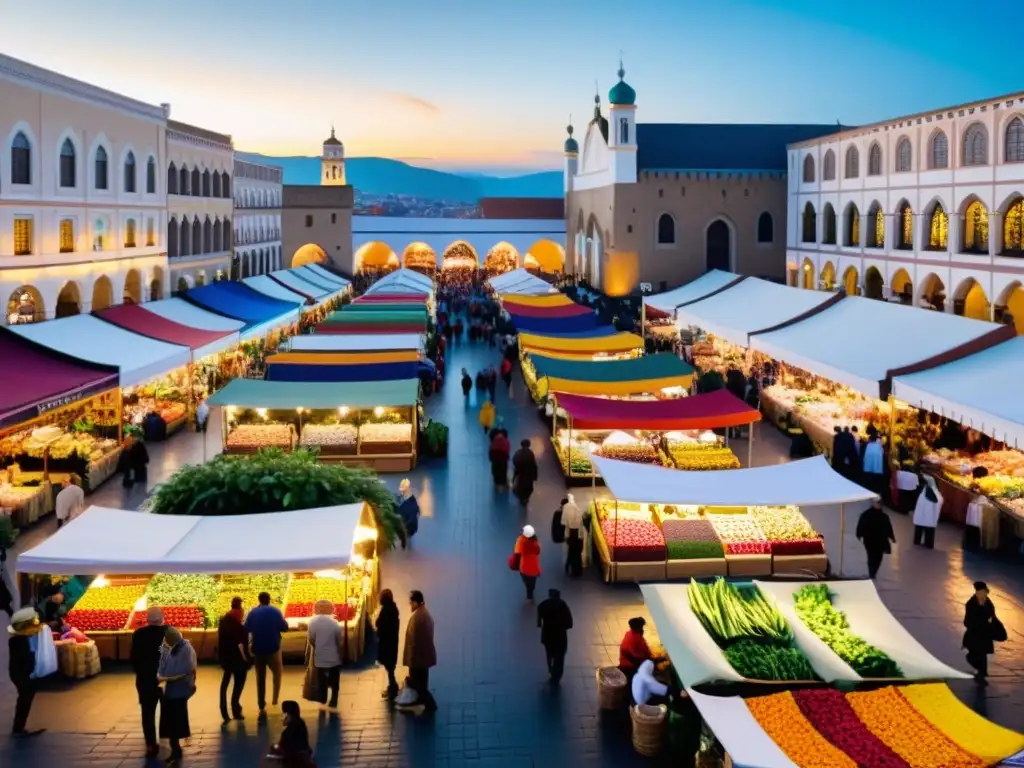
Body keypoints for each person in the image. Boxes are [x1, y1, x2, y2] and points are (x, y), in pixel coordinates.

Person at [245, 591, 289, 717]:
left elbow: (246, 628)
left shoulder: (253, 612)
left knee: (260, 678)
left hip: (258, 649)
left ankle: (261, 704)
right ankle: (275, 699)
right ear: (269, 599)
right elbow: (285, 627)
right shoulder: (276, 611)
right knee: (277, 673)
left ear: (259, 600)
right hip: (274, 648)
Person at [158, 626, 197, 766]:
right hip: (172, 691)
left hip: (178, 691)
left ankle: (176, 750)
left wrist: (164, 677)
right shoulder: (174, 648)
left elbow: (183, 670)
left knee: (174, 722)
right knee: (171, 722)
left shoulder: (185, 650)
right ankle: (175, 749)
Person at [130, 606, 165, 756]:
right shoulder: (170, 633)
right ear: (162, 618)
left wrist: (141, 673)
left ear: (147, 619)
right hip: (165, 680)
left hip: (145, 680)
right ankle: (172, 741)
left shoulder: (138, 634)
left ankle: (150, 744)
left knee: (147, 712)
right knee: (169, 710)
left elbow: (133, 658)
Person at [8, 607, 45, 738]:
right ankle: (18, 728)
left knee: (26, 696)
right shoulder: (19, 641)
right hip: (21, 673)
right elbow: (23, 658)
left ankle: (19, 727)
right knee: (25, 697)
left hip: (21, 672)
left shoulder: (21, 640)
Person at [400, 590, 437, 713]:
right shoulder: (422, 614)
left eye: (411, 602)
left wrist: (411, 660)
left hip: (419, 658)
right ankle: (423, 703)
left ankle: (430, 704)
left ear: (416, 602)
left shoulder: (419, 618)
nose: (410, 605)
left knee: (418, 683)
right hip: (423, 657)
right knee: (421, 682)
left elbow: (415, 642)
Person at [217, 597, 250, 722]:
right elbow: (240, 645)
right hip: (238, 660)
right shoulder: (237, 623)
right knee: (238, 684)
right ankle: (236, 709)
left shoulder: (224, 620)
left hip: (225, 658)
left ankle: (224, 711)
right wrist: (246, 659)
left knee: (225, 684)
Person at [306, 599, 342, 709]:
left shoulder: (312, 622)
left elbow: (311, 639)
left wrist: (316, 646)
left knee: (321, 677)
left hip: (319, 655)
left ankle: (322, 697)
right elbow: (338, 639)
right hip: (333, 654)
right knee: (334, 676)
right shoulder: (334, 623)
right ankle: (334, 698)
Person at [963, 581, 998, 686]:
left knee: (981, 654)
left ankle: (981, 673)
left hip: (982, 633)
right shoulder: (972, 603)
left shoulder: (986, 602)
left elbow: (991, 613)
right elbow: (968, 619)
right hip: (976, 632)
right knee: (976, 653)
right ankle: (980, 671)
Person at [536, 588, 573, 683]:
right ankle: (557, 675)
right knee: (560, 656)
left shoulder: (543, 604)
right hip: (560, 635)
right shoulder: (563, 605)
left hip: (547, 634)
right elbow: (569, 623)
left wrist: (539, 623)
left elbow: (539, 613)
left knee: (549, 653)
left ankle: (550, 668)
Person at [267, 700, 314, 766]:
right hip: (301, 752)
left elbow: (285, 743)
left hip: (293, 754)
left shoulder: (291, 728)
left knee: (272, 749)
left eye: (286, 714)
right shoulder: (300, 723)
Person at [855, 500, 895, 578]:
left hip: (879, 540)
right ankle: (872, 572)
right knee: (872, 556)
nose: (878, 505)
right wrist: (859, 534)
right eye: (877, 503)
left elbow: (888, 527)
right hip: (870, 539)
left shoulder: (883, 516)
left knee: (878, 557)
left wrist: (892, 537)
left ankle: (873, 571)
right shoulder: (867, 515)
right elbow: (861, 525)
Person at [375, 589, 400, 699]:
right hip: (391, 642)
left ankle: (393, 687)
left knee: (389, 666)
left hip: (387, 643)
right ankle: (392, 686)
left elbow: (382, 624)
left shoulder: (387, 610)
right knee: (390, 667)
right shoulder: (391, 608)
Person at [912, 474, 942, 549]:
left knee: (919, 528)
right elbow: (940, 501)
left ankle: (917, 541)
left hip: (921, 515)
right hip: (930, 517)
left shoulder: (924, 490)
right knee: (930, 530)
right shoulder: (936, 492)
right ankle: (929, 544)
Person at [514, 525, 542, 602]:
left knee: (527, 582)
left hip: (524, 568)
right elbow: (538, 551)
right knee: (532, 584)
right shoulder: (535, 543)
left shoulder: (521, 541)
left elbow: (517, 551)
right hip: (534, 568)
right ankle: (530, 593)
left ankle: (529, 594)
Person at [562, 494, 584, 577]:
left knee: (573, 555)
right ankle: (576, 571)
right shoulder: (576, 512)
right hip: (577, 539)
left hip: (574, 539)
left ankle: (574, 570)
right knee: (576, 556)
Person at [512, 439, 538, 506]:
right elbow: (534, 465)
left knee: (520, 485)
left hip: (521, 472)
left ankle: (522, 497)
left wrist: (515, 475)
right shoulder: (531, 453)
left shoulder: (518, 452)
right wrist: (535, 476)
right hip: (529, 473)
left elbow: (515, 460)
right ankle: (525, 498)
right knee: (529, 487)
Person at [395, 479, 420, 549]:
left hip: (408, 523)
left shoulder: (410, 503)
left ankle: (405, 544)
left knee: (407, 534)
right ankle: (405, 543)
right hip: (405, 522)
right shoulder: (403, 499)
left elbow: (413, 514)